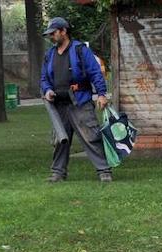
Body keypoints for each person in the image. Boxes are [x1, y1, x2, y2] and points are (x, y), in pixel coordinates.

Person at [40, 17, 112, 183]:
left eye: (53, 33)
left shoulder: (80, 50)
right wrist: (48, 90)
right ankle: (58, 173)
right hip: (59, 104)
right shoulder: (49, 54)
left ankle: (104, 171)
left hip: (80, 102)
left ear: (63, 31)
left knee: (91, 137)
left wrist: (101, 94)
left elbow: (95, 73)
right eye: (49, 34)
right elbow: (44, 78)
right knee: (60, 139)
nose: (51, 37)